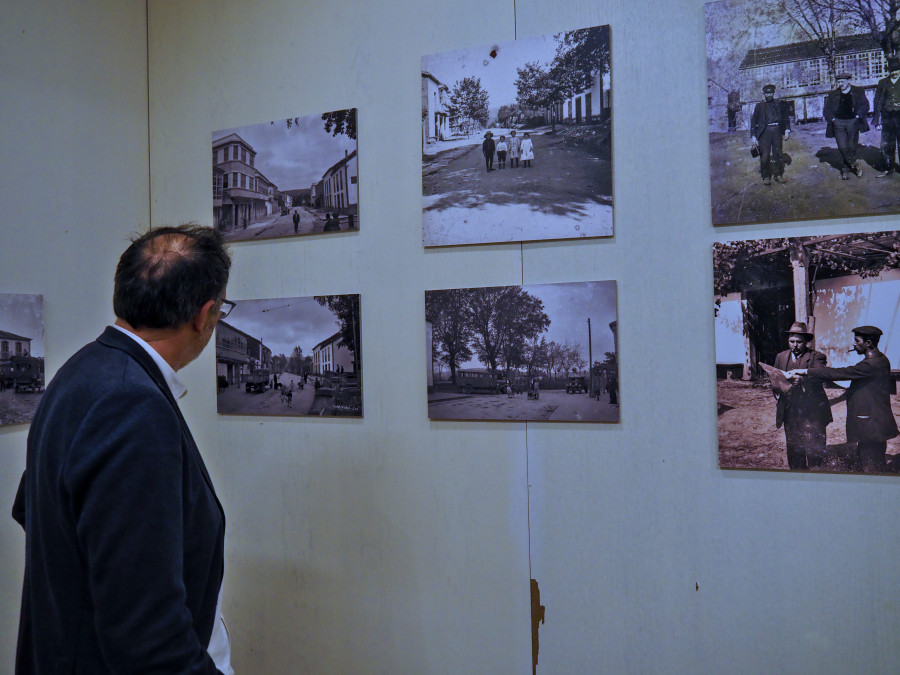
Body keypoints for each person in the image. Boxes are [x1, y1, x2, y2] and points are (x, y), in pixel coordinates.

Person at [12, 224, 233, 674]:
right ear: (204, 314)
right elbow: (147, 636)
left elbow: (32, 510)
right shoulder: (132, 405)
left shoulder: (81, 371)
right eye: (221, 309)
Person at [790, 325, 899, 472]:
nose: (854, 344)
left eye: (857, 341)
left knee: (871, 466)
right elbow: (861, 389)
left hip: (871, 426)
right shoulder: (881, 360)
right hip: (875, 424)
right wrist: (835, 400)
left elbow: (839, 373)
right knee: (869, 459)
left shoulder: (870, 365)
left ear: (868, 343)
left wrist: (805, 371)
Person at [772, 322, 832, 470]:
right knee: (793, 446)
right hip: (790, 410)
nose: (795, 345)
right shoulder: (781, 356)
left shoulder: (817, 357)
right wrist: (776, 387)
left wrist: (804, 380)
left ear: (806, 342)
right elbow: (774, 379)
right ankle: (797, 475)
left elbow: (820, 375)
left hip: (812, 410)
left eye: (799, 342)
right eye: (792, 341)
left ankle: (815, 477)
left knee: (814, 448)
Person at [823, 72, 870, 179]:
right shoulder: (833, 94)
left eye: (843, 81)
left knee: (852, 146)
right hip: (838, 123)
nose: (840, 84)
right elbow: (827, 110)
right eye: (839, 82)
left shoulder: (858, 91)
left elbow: (865, 105)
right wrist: (833, 119)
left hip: (853, 122)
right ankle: (855, 164)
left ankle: (845, 168)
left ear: (848, 81)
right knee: (842, 147)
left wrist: (858, 116)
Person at [750, 83, 791, 185]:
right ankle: (766, 176)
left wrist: (787, 130)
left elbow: (785, 118)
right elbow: (754, 121)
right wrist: (754, 136)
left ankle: (778, 175)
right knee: (765, 155)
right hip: (765, 132)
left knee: (778, 153)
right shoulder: (759, 106)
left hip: (777, 130)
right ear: (764, 94)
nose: (769, 95)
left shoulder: (779, 104)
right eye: (767, 93)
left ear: (773, 93)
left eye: (771, 93)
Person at [872, 56, 900, 177]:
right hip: (887, 117)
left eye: (896, 70)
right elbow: (877, 101)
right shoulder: (882, 83)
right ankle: (889, 167)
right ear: (888, 71)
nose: (894, 73)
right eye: (892, 70)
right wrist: (876, 120)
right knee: (887, 143)